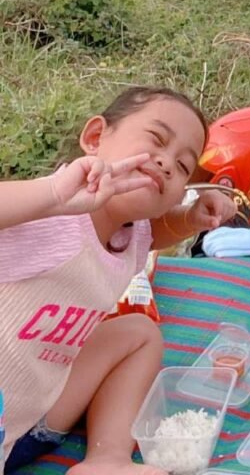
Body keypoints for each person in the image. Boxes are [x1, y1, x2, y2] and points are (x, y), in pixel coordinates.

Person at [0, 86, 236, 475]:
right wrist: (52, 194)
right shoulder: (48, 220)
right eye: (157, 141)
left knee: (139, 333)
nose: (165, 164)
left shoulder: (133, 233)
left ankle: (107, 458)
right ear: (95, 139)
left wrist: (190, 218)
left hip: (31, 425)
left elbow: (153, 232)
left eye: (181, 167)